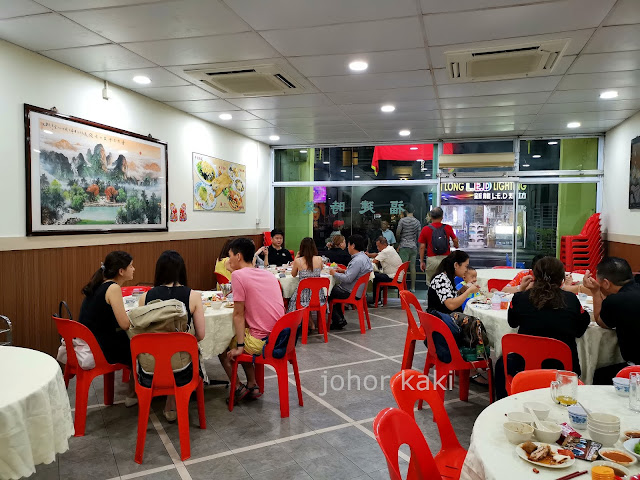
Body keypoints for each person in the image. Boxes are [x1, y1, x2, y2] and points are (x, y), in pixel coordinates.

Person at [495, 256, 590, 399]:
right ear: (561, 279)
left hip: (524, 364)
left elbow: (512, 323)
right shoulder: (571, 299)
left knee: (501, 363)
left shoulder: (520, 298)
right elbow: (580, 330)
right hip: (562, 367)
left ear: (534, 276)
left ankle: (502, 404)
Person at [138, 250, 205, 422]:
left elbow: (142, 335)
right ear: (182, 270)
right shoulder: (193, 296)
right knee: (185, 352)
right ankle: (173, 399)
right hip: (182, 370)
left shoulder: (145, 297)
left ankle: (161, 397)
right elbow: (201, 335)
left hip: (149, 370)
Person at [220, 238, 285, 402]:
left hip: (263, 342)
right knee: (242, 334)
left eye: (230, 256)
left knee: (220, 344)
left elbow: (238, 314)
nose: (228, 260)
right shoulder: (266, 273)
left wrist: (240, 347)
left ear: (238, 256)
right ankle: (252, 384)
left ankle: (237, 387)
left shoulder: (238, 275)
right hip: (281, 337)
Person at [79, 251, 137, 406]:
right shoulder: (113, 288)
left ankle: (135, 391)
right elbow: (125, 324)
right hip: (99, 348)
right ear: (121, 271)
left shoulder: (99, 284)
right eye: (131, 266)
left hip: (88, 341)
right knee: (140, 344)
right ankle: (134, 392)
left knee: (128, 340)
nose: (134, 269)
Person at [584, 257, 640, 384]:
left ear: (606, 283)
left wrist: (595, 291)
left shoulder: (615, 301)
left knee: (599, 375)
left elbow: (600, 321)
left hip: (636, 369)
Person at [328, 234, 373, 330]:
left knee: (327, 292)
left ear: (352, 245)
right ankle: (340, 319)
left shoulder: (357, 260)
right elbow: (356, 273)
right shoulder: (364, 257)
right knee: (334, 290)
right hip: (359, 290)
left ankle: (338, 320)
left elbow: (348, 279)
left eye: (348, 244)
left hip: (351, 291)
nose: (347, 247)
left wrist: (334, 273)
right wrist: (344, 271)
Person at [502, 254, 592, 295]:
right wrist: (521, 288)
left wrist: (567, 285)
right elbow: (504, 290)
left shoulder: (521, 299)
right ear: (532, 271)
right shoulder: (524, 276)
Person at [288, 237, 326, 330]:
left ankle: (307, 322)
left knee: (290, 296)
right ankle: (311, 322)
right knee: (309, 298)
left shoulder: (298, 261)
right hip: (318, 295)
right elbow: (320, 270)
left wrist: (297, 257)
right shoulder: (319, 259)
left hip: (302, 295)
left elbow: (293, 274)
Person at [428, 250, 478, 315]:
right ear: (456, 265)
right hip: (441, 319)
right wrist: (468, 291)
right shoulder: (441, 279)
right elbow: (451, 305)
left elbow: (449, 297)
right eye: (466, 266)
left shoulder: (448, 278)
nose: (466, 270)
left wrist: (461, 291)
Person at [419, 207, 458, 286]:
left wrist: (422, 261)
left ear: (431, 217)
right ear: (442, 217)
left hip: (432, 259)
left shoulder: (425, 229)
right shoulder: (448, 227)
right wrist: (456, 246)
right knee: (446, 282)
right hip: (445, 259)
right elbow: (455, 240)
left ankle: (431, 298)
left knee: (431, 283)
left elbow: (422, 247)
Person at [368, 236, 403, 306]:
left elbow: (375, 261)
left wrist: (367, 257)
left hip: (393, 277)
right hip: (398, 275)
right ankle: (377, 299)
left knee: (374, 276)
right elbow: (378, 255)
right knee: (377, 275)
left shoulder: (385, 252)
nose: (378, 248)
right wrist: (369, 255)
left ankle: (377, 301)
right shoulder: (390, 248)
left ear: (383, 244)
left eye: (378, 246)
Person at [396, 203, 421, 292]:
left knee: (403, 267)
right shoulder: (417, 222)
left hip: (404, 246)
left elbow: (398, 233)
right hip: (413, 246)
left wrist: (399, 241)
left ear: (405, 211)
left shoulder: (402, 221)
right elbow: (419, 236)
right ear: (413, 211)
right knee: (412, 267)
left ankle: (402, 286)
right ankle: (413, 288)